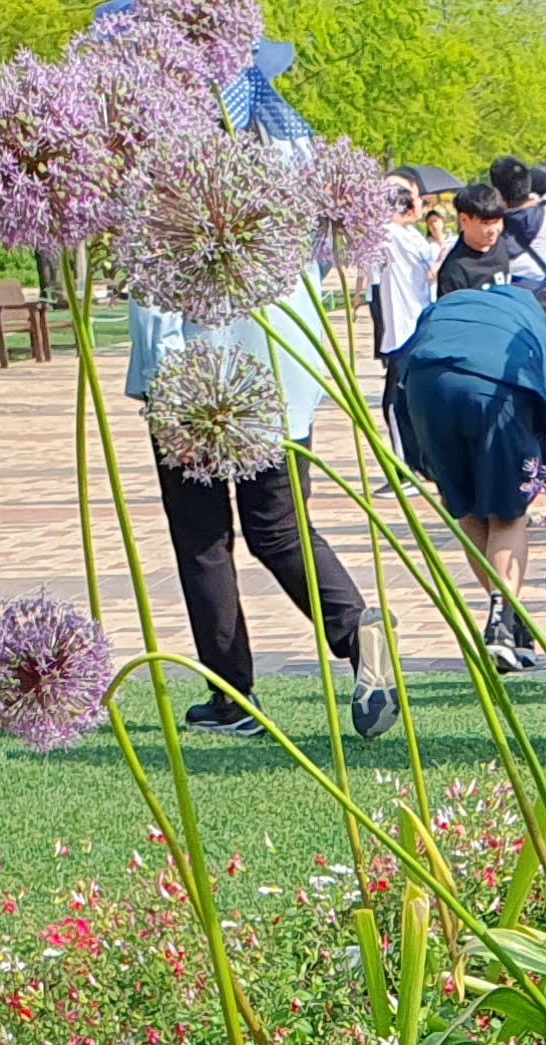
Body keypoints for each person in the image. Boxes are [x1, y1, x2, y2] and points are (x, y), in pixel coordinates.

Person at [129, 246, 400, 737]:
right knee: (281, 531)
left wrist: (168, 392)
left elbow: (155, 298)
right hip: (282, 381)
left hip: (201, 386)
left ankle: (232, 696)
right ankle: (355, 627)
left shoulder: (167, 189)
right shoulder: (285, 188)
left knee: (203, 543)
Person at [390, 260, 546, 674]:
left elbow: (398, 377)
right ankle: (501, 623)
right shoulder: (537, 331)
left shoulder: (461, 303)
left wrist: (418, 461)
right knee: (510, 514)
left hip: (424, 385)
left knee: (469, 509)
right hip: (495, 388)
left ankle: (508, 621)